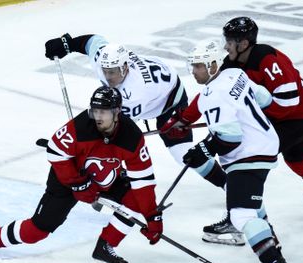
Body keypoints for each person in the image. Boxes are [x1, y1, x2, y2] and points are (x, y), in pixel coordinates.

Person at [0, 86, 163, 263]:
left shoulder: (132, 137)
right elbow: (56, 151)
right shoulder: (81, 126)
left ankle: (106, 245)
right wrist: (78, 183)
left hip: (104, 177)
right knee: (37, 230)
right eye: (95, 111)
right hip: (66, 177)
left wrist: (152, 217)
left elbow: (143, 181)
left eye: (104, 112)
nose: (98, 117)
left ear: (117, 111)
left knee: (135, 200)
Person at [164, 16, 303, 244]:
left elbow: (288, 102)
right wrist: (184, 119)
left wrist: (247, 116)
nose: (226, 46)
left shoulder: (267, 59)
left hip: (298, 117)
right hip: (295, 115)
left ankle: (239, 220)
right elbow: (212, 90)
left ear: (243, 43)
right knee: (298, 158)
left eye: (230, 41)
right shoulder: (232, 62)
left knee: (242, 161)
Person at [180, 39, 297, 263]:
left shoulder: (213, 94)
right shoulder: (234, 74)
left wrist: (203, 149)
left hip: (248, 155)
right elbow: (264, 98)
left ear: (212, 65)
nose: (194, 72)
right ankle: (271, 245)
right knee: (249, 204)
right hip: (264, 144)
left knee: (241, 213)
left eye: (198, 66)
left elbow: (230, 139)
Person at [43, 33, 221, 184]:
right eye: (105, 71)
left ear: (125, 67)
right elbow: (92, 41)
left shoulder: (135, 93)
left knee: (182, 153)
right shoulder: (105, 60)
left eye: (113, 72)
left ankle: (227, 183)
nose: (108, 76)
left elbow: (117, 131)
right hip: (156, 78)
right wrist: (67, 44)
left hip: (169, 99)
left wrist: (84, 151)